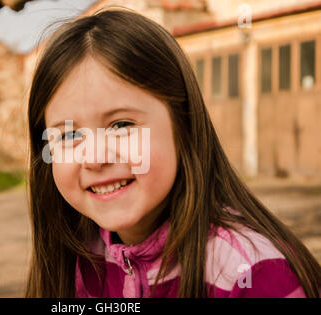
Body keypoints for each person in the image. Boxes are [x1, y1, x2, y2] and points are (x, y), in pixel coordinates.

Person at [24, 8, 320, 298]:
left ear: (184, 124)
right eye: (70, 135)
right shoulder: (77, 258)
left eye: (121, 124)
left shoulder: (252, 274)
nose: (94, 157)